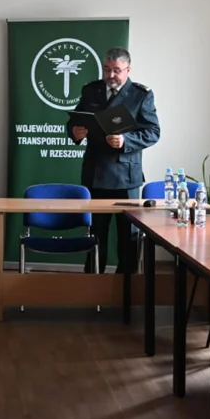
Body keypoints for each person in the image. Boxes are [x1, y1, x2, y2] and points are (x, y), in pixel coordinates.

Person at [67, 48, 161, 273]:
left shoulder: (140, 95)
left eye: (116, 70)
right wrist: (74, 132)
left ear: (128, 70)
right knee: (96, 233)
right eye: (107, 69)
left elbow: (153, 132)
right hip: (95, 172)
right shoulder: (91, 90)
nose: (110, 75)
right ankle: (94, 281)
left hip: (125, 176)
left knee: (128, 236)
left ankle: (125, 283)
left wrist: (126, 140)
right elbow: (75, 121)